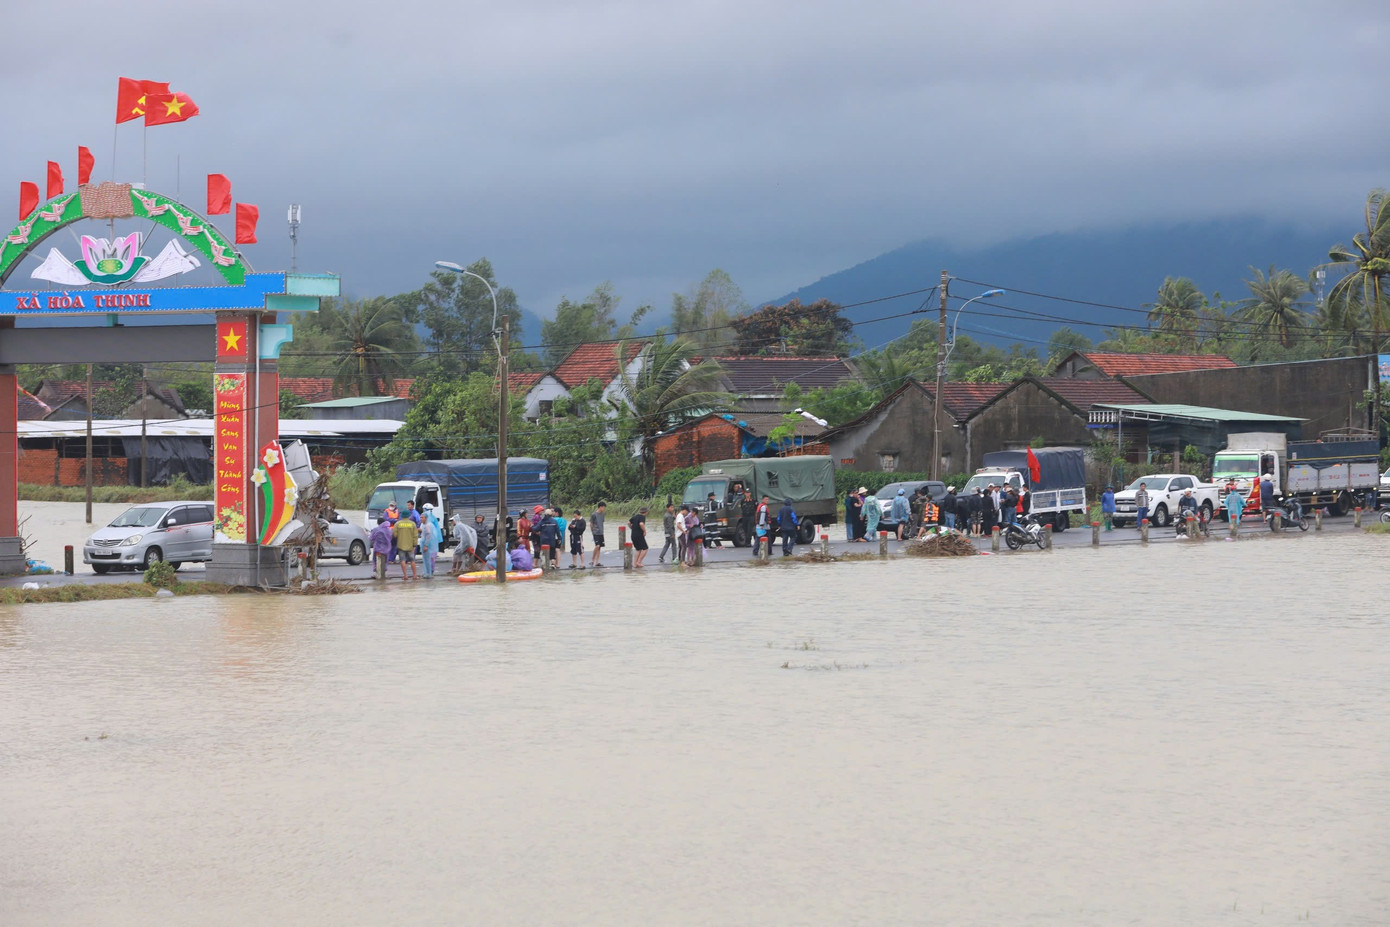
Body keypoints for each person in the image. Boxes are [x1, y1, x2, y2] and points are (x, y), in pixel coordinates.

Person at [392, 511, 419, 581]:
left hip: (401, 545)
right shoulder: (413, 524)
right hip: (410, 545)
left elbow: (395, 534)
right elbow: (415, 536)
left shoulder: (397, 524)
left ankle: (405, 576)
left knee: (402, 560)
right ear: (409, 516)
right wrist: (414, 545)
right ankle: (414, 575)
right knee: (412, 560)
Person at [419, 514, 439, 578]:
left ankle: (429, 573)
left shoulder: (428, 525)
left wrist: (426, 545)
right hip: (423, 543)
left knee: (428, 559)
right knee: (425, 559)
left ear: (426, 518)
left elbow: (428, 536)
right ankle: (426, 572)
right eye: (420, 517)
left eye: (422, 517)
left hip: (427, 544)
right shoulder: (423, 524)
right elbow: (423, 533)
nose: (421, 519)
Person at [590, 502, 607, 567]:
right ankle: (592, 559)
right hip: (595, 532)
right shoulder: (594, 514)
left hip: (601, 532)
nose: (604, 509)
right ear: (600, 507)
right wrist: (592, 532)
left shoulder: (603, 514)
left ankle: (597, 562)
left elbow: (602, 522)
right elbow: (591, 524)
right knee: (597, 546)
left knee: (599, 547)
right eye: (603, 507)